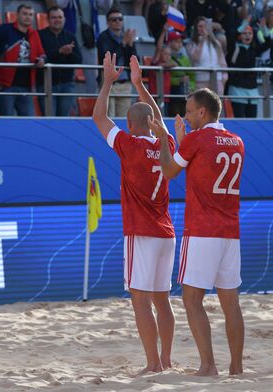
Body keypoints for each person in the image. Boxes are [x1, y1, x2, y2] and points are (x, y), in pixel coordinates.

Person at [148, 88, 245, 376]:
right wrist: (183, 141)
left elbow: (168, 170)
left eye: (189, 112)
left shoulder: (197, 139)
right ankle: (237, 368)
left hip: (202, 230)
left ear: (203, 112)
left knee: (192, 300)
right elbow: (200, 162)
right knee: (231, 305)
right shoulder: (236, 141)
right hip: (230, 231)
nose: (187, 117)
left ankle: (208, 366)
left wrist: (164, 139)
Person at [93, 52, 176, 374]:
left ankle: (153, 364)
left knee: (140, 300)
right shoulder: (166, 142)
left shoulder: (129, 144)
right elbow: (158, 119)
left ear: (129, 125)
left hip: (141, 232)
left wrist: (108, 82)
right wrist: (141, 85)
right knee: (162, 300)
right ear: (153, 126)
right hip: (166, 231)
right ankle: (166, 360)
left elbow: (99, 118)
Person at [0, 4, 46, 116]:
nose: (28, 17)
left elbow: (42, 53)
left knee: (29, 123)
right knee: (7, 123)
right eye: (25, 14)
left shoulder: (34, 34)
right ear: (17, 15)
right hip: (6, 86)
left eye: (31, 15)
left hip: (26, 87)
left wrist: (41, 59)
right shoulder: (5, 29)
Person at [37, 6, 81, 116]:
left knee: (64, 121)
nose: (57, 20)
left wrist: (69, 53)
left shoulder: (71, 36)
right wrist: (60, 51)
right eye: (54, 17)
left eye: (60, 17)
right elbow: (39, 58)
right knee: (49, 121)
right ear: (48, 20)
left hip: (67, 85)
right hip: (46, 85)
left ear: (64, 19)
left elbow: (79, 60)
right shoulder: (39, 35)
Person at [96, 8, 138, 117]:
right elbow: (108, 57)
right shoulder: (103, 37)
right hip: (110, 84)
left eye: (120, 19)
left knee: (124, 118)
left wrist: (130, 45)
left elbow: (134, 60)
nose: (117, 21)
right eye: (114, 20)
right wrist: (123, 43)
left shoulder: (126, 36)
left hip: (125, 84)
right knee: (110, 118)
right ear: (108, 22)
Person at [227, 22, 270, 117]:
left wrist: (264, 30)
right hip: (237, 90)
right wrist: (243, 25)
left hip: (252, 90)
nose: (247, 35)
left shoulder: (254, 49)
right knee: (240, 122)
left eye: (250, 33)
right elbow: (231, 38)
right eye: (244, 33)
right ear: (240, 36)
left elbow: (268, 43)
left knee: (252, 121)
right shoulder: (234, 47)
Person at [187, 16, 228, 97]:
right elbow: (195, 59)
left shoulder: (216, 43)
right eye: (200, 26)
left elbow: (223, 62)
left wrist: (224, 78)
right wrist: (202, 40)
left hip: (217, 79)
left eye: (205, 26)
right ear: (196, 28)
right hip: (201, 80)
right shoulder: (191, 44)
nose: (203, 29)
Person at [168, 30, 195, 117]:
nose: (179, 44)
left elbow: (192, 75)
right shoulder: (165, 57)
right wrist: (179, 80)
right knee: (174, 116)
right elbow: (164, 78)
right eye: (176, 41)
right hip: (172, 93)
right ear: (170, 43)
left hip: (184, 93)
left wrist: (191, 88)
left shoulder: (184, 58)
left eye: (180, 41)